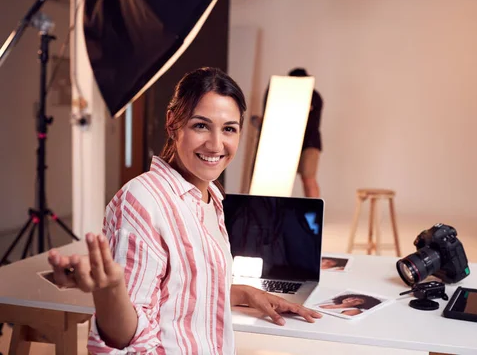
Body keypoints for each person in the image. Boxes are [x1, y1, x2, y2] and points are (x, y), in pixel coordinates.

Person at [47, 67, 321, 354]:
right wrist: (111, 289)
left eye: (229, 128)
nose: (216, 144)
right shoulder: (142, 201)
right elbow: (127, 340)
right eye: (200, 125)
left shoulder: (210, 198)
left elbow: (181, 294)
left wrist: (245, 293)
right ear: (172, 123)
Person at [251, 68, 323, 198]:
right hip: (288, 144)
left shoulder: (314, 96)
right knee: (278, 181)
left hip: (309, 144)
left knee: (308, 178)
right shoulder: (285, 95)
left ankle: (315, 212)